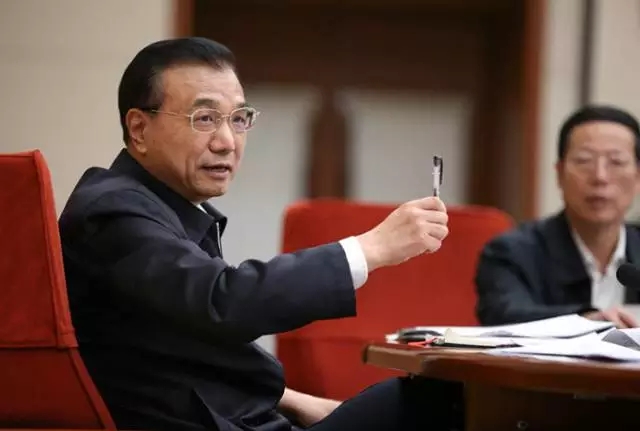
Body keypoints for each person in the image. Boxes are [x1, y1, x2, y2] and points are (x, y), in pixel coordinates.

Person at [58, 37, 464, 431]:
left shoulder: (162, 206)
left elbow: (184, 346)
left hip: (251, 416)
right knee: (439, 399)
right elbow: (222, 302)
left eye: (238, 119)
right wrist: (371, 247)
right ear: (139, 129)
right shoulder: (112, 210)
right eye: (205, 118)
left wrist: (297, 402)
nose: (227, 142)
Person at [475, 105, 640, 328]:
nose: (600, 177)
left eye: (616, 162)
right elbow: (502, 314)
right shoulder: (512, 252)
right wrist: (584, 321)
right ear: (560, 174)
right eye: (584, 160)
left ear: (638, 177)